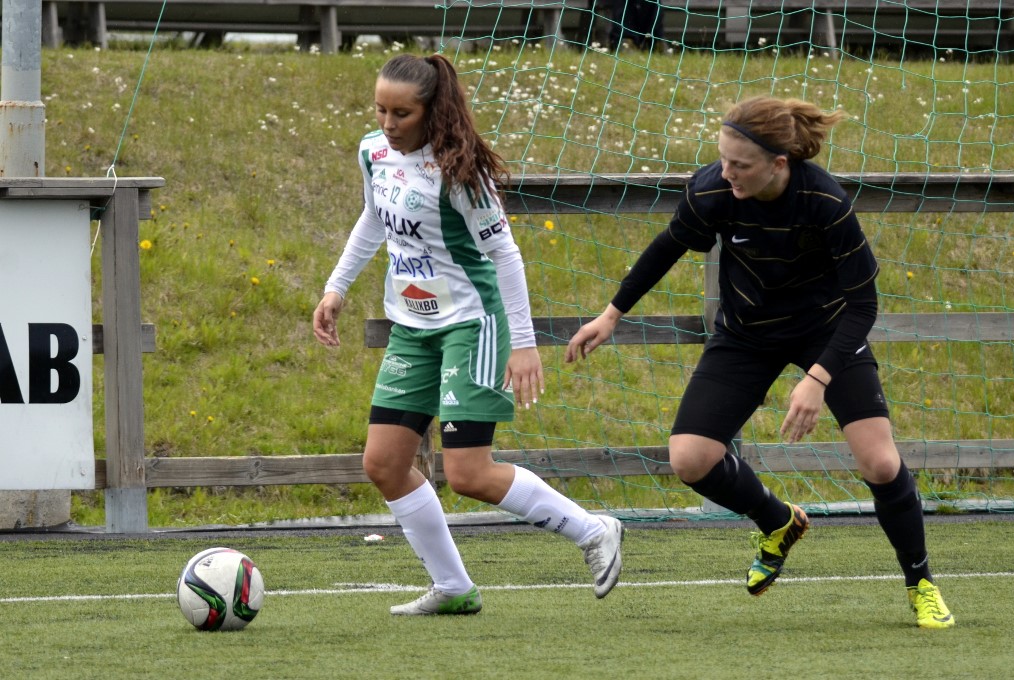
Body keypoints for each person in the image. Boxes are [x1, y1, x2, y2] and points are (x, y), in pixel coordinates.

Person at [565, 96, 955, 629]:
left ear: (779, 163)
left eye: (740, 164)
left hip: (827, 332)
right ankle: (777, 522)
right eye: (723, 159)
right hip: (746, 334)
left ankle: (921, 583)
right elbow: (668, 246)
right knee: (690, 459)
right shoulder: (713, 190)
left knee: (880, 464)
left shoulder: (825, 201)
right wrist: (611, 315)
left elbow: (864, 304)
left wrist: (817, 378)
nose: (727, 173)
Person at [313, 53, 624, 616]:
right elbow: (373, 218)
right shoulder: (372, 152)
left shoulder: (461, 171)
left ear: (432, 111)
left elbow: (505, 255)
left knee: (468, 473)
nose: (388, 123)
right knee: (383, 463)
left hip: (471, 324)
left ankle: (593, 530)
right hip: (412, 328)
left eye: (402, 113)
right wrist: (336, 288)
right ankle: (454, 587)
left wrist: (523, 344)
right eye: (380, 110)